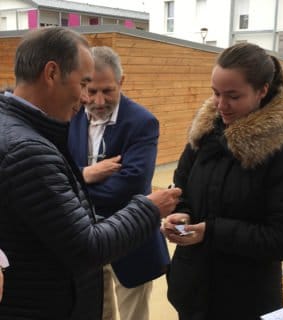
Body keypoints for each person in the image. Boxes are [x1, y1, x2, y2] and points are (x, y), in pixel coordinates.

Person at [0, 26, 181, 319]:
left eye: (102, 89)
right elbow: (87, 247)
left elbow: (128, 183)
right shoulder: (29, 149)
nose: (88, 99)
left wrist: (75, 183)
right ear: (52, 73)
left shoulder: (22, 127)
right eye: (84, 84)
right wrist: (149, 207)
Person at [162, 42, 283, 320]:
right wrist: (181, 212)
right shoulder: (204, 134)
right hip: (192, 293)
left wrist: (212, 232)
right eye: (216, 93)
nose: (221, 105)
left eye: (233, 96)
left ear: (262, 91)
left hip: (244, 300)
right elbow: (181, 184)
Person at [68, 46, 170, 320]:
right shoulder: (71, 116)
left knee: (133, 316)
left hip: (132, 242)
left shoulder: (142, 122)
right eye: (91, 91)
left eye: (108, 90)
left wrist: (74, 187)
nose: (99, 101)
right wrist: (87, 174)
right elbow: (60, 171)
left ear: (121, 82)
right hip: (88, 240)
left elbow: (131, 185)